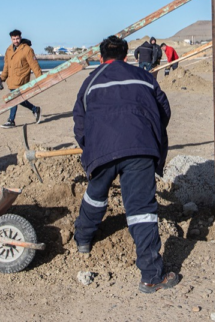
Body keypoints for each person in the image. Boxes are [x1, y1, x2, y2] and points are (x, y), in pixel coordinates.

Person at [72, 35, 178, 293]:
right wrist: (146, 131)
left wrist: (93, 146)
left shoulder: (91, 81)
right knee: (141, 209)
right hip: (140, 148)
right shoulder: (143, 76)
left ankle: (83, 239)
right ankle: (152, 276)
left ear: (100, 57)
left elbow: (79, 122)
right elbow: (164, 110)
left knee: (95, 196)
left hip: (102, 149)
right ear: (127, 55)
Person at [0, 30, 42, 129]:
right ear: (11, 39)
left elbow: (34, 65)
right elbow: (6, 66)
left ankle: (11, 120)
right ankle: (35, 109)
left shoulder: (27, 50)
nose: (16, 41)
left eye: (17, 38)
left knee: (14, 99)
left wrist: (41, 79)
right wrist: (1, 79)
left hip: (22, 80)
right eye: (14, 39)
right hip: (12, 81)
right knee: (19, 100)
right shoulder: (9, 50)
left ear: (20, 37)